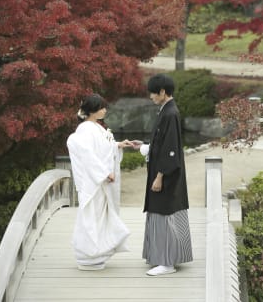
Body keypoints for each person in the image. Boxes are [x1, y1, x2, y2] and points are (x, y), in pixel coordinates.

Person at [132, 73, 193, 276]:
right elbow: (162, 144)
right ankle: (161, 257)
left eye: (153, 92)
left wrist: (160, 176)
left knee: (164, 213)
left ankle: (167, 263)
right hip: (162, 171)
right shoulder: (166, 111)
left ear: (163, 92)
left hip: (165, 175)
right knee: (162, 212)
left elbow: (170, 149)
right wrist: (144, 147)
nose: (151, 96)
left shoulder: (170, 113)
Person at [67, 93, 132, 271]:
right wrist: (104, 173)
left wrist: (118, 145)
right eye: (102, 107)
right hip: (94, 182)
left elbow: (102, 148)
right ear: (93, 110)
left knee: (99, 217)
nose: (105, 110)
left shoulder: (96, 127)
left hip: (99, 181)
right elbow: (88, 155)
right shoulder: (87, 129)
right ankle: (89, 255)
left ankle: (97, 253)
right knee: (93, 217)